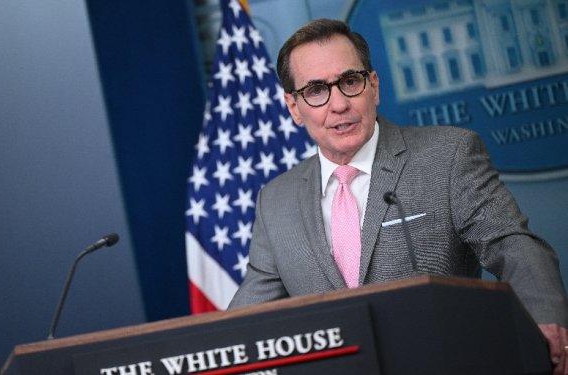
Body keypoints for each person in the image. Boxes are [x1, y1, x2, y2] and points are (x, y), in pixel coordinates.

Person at [227, 19, 568, 373]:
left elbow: (512, 245)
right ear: (294, 108)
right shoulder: (276, 200)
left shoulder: (447, 155)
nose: (339, 104)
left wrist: (544, 322)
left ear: (373, 86)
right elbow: (246, 319)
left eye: (349, 82)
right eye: (316, 90)